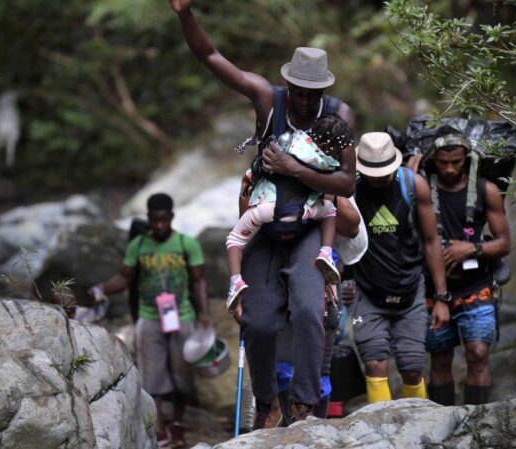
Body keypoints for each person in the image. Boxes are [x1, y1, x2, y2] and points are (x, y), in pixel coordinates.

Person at [170, 0, 357, 427]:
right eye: (301, 92)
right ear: (288, 84)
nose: (307, 101)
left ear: (324, 91)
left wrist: (295, 168)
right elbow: (211, 57)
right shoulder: (267, 100)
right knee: (258, 320)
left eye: (315, 94)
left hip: (311, 224)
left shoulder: (338, 116)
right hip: (266, 226)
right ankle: (268, 400)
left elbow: (347, 183)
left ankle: (305, 404)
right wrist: (185, 14)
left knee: (310, 311)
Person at [88, 193, 212, 448]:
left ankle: (177, 425)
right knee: (152, 380)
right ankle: (160, 429)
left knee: (182, 377)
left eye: (164, 220)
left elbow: (199, 281)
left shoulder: (186, 244)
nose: (158, 226)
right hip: (149, 318)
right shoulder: (139, 246)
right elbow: (125, 278)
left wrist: (205, 315)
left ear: (171, 218)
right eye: (154, 221)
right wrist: (102, 287)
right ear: (148, 219)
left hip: (182, 317)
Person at [351, 132, 450, 403]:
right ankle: (379, 434)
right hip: (367, 289)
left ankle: (416, 430)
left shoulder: (413, 185)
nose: (379, 178)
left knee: (412, 366)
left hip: (410, 287)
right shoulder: (351, 189)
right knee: (374, 363)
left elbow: (431, 241)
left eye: (384, 172)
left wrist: (441, 298)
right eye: (372, 173)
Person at [419, 127, 511, 406]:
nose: (449, 169)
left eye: (456, 162)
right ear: (433, 158)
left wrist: (471, 248)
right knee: (441, 356)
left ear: (467, 159)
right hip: (432, 290)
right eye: (443, 162)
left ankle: (479, 424)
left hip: (477, 285)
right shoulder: (421, 186)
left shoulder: (487, 189)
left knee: (479, 353)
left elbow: (505, 243)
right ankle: (441, 425)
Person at [226, 114, 355, 312]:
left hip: (265, 208)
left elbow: (256, 171)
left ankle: (235, 281)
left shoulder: (289, 140)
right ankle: (326, 252)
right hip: (302, 211)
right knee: (329, 211)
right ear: (329, 147)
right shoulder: (325, 162)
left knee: (235, 240)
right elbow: (340, 183)